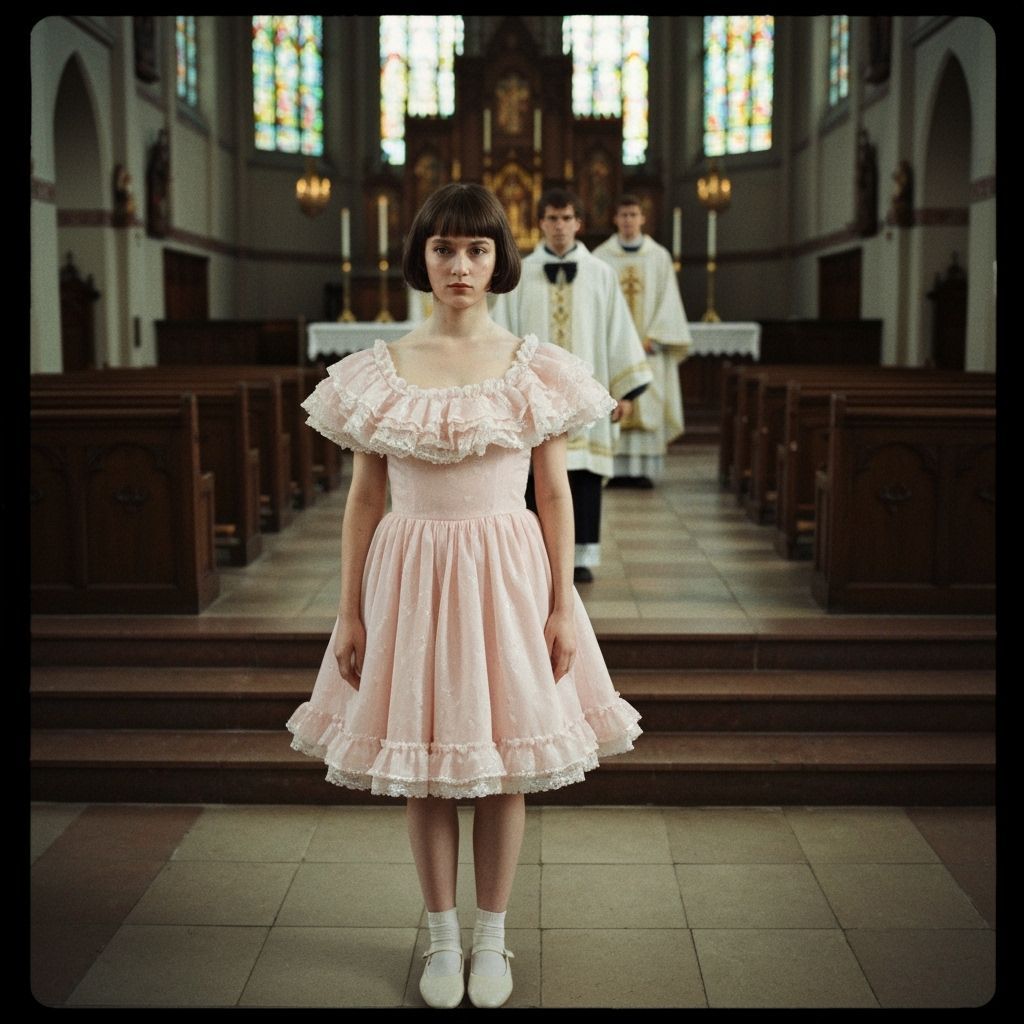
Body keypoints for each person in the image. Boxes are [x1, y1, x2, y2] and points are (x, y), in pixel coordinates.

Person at [287, 183, 642, 1010]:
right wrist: (349, 608)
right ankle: (441, 941)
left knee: (504, 762)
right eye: (444, 249)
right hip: (410, 576)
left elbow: (553, 495)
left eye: (477, 250)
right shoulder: (380, 370)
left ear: (499, 261)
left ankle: (492, 939)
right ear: (422, 258)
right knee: (425, 766)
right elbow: (364, 502)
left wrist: (561, 605)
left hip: (507, 574)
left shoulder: (535, 368)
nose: (460, 265)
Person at [491, 187, 652, 583]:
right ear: (540, 222)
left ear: (579, 223)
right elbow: (503, 335)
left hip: (588, 396)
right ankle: (535, 553)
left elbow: (618, 331)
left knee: (582, 475)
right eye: (551, 218)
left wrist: (624, 391)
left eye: (566, 218)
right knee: (534, 476)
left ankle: (580, 556)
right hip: (533, 398)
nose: (559, 226)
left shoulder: (601, 273)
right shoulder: (520, 274)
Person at [593, 195, 692, 488]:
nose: (628, 220)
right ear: (615, 218)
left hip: (649, 348)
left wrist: (656, 337)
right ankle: (614, 468)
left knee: (647, 404)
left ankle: (641, 470)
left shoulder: (658, 256)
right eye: (623, 215)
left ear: (642, 218)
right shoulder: (600, 257)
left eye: (633, 214)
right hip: (613, 352)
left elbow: (669, 302)